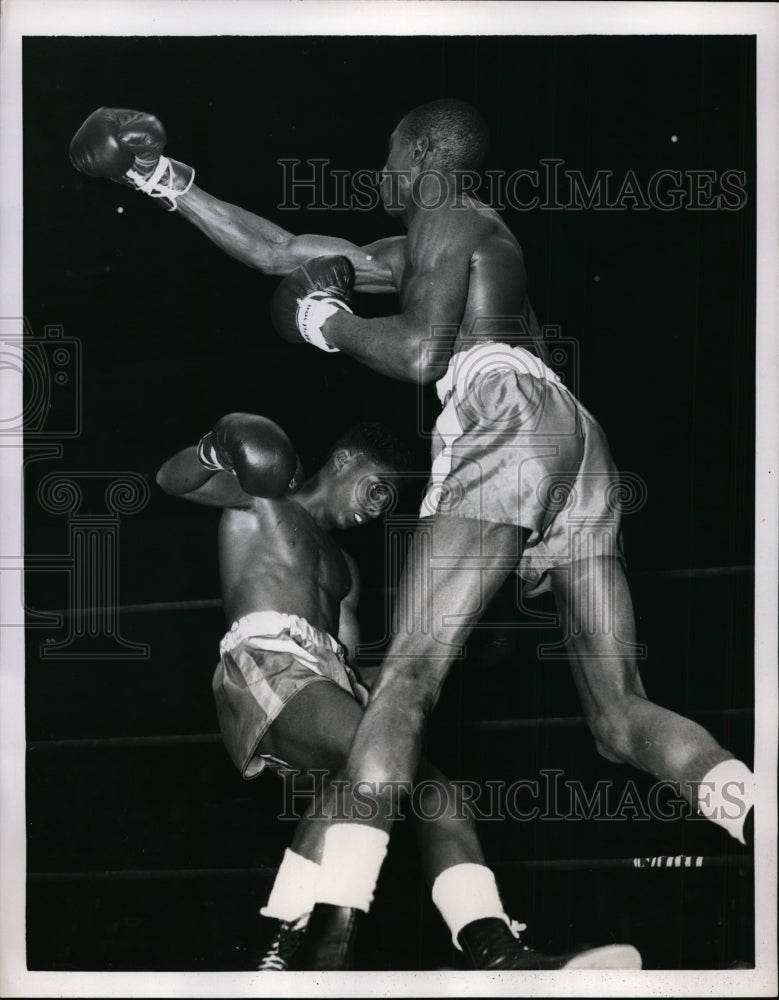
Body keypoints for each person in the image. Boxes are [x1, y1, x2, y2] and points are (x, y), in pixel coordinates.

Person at [74, 100, 754, 969]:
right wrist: (163, 183)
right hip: (572, 439)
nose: (383, 173)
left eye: (389, 157)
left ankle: (325, 933)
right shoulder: (439, 247)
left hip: (501, 412)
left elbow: (420, 355)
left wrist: (326, 327)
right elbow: (286, 252)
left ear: (418, 158)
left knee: (405, 682)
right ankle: (746, 807)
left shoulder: (449, 210)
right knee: (618, 718)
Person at [154, 411, 641, 970]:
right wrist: (217, 447)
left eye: (387, 501)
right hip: (267, 664)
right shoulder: (258, 499)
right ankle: (301, 945)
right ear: (343, 462)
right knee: (375, 753)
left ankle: (496, 952)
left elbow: (351, 664)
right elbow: (172, 480)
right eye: (376, 488)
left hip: (325, 682)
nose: (378, 507)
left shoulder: (346, 572)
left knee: (436, 792)